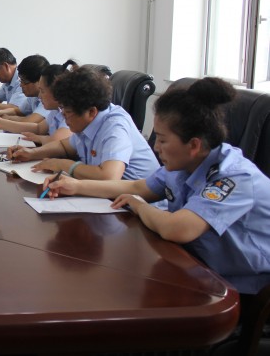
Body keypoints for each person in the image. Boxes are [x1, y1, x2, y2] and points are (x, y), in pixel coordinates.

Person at [43, 77, 270, 297]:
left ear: (193, 144)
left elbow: (177, 229)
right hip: (198, 265)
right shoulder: (184, 164)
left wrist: (140, 206)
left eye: (162, 140)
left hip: (243, 286)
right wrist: (75, 186)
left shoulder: (233, 177)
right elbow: (137, 186)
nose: (156, 147)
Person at [8, 67, 159, 181]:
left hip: (138, 207)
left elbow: (109, 176)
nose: (63, 117)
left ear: (91, 112)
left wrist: (63, 165)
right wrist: (32, 153)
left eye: (67, 112)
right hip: (109, 199)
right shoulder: (86, 122)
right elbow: (64, 146)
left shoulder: (115, 126)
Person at [0, 60, 75, 145]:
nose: (39, 96)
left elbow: (57, 141)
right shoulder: (56, 111)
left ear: (57, 92)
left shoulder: (71, 113)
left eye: (42, 91)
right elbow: (38, 128)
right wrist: (0, 122)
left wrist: (39, 139)